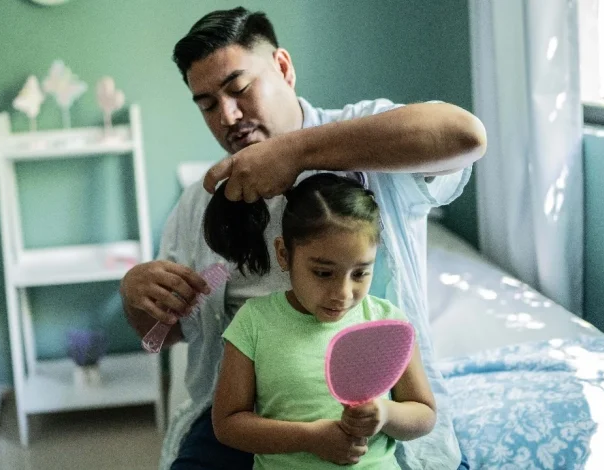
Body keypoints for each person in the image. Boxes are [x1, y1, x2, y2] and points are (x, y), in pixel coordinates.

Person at [119, 7, 486, 470]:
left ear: (284, 69)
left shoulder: (366, 136)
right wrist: (136, 296)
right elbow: (161, 338)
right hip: (246, 420)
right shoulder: (199, 205)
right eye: (208, 105)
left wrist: (294, 151)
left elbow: (465, 135)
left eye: (239, 89)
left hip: (370, 408)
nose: (228, 116)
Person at [207, 173, 437, 470]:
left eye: (360, 273)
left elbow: (425, 415)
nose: (342, 294)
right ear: (284, 254)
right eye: (323, 273)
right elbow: (228, 424)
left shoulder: (387, 323)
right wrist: (309, 438)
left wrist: (385, 414)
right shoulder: (254, 322)